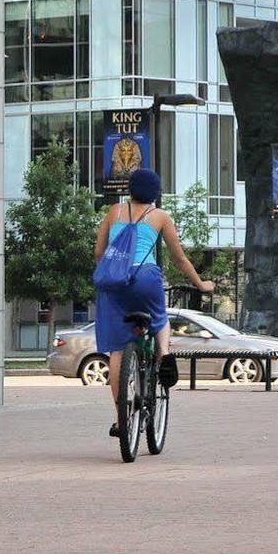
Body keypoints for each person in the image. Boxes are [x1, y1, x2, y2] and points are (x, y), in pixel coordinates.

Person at [93, 167, 214, 432]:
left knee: (117, 349)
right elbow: (179, 259)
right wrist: (200, 284)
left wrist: (113, 273)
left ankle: (121, 418)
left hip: (114, 282)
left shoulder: (113, 212)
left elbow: (99, 253)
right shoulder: (160, 217)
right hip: (144, 277)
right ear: (155, 193)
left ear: (130, 190)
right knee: (160, 317)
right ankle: (166, 355)